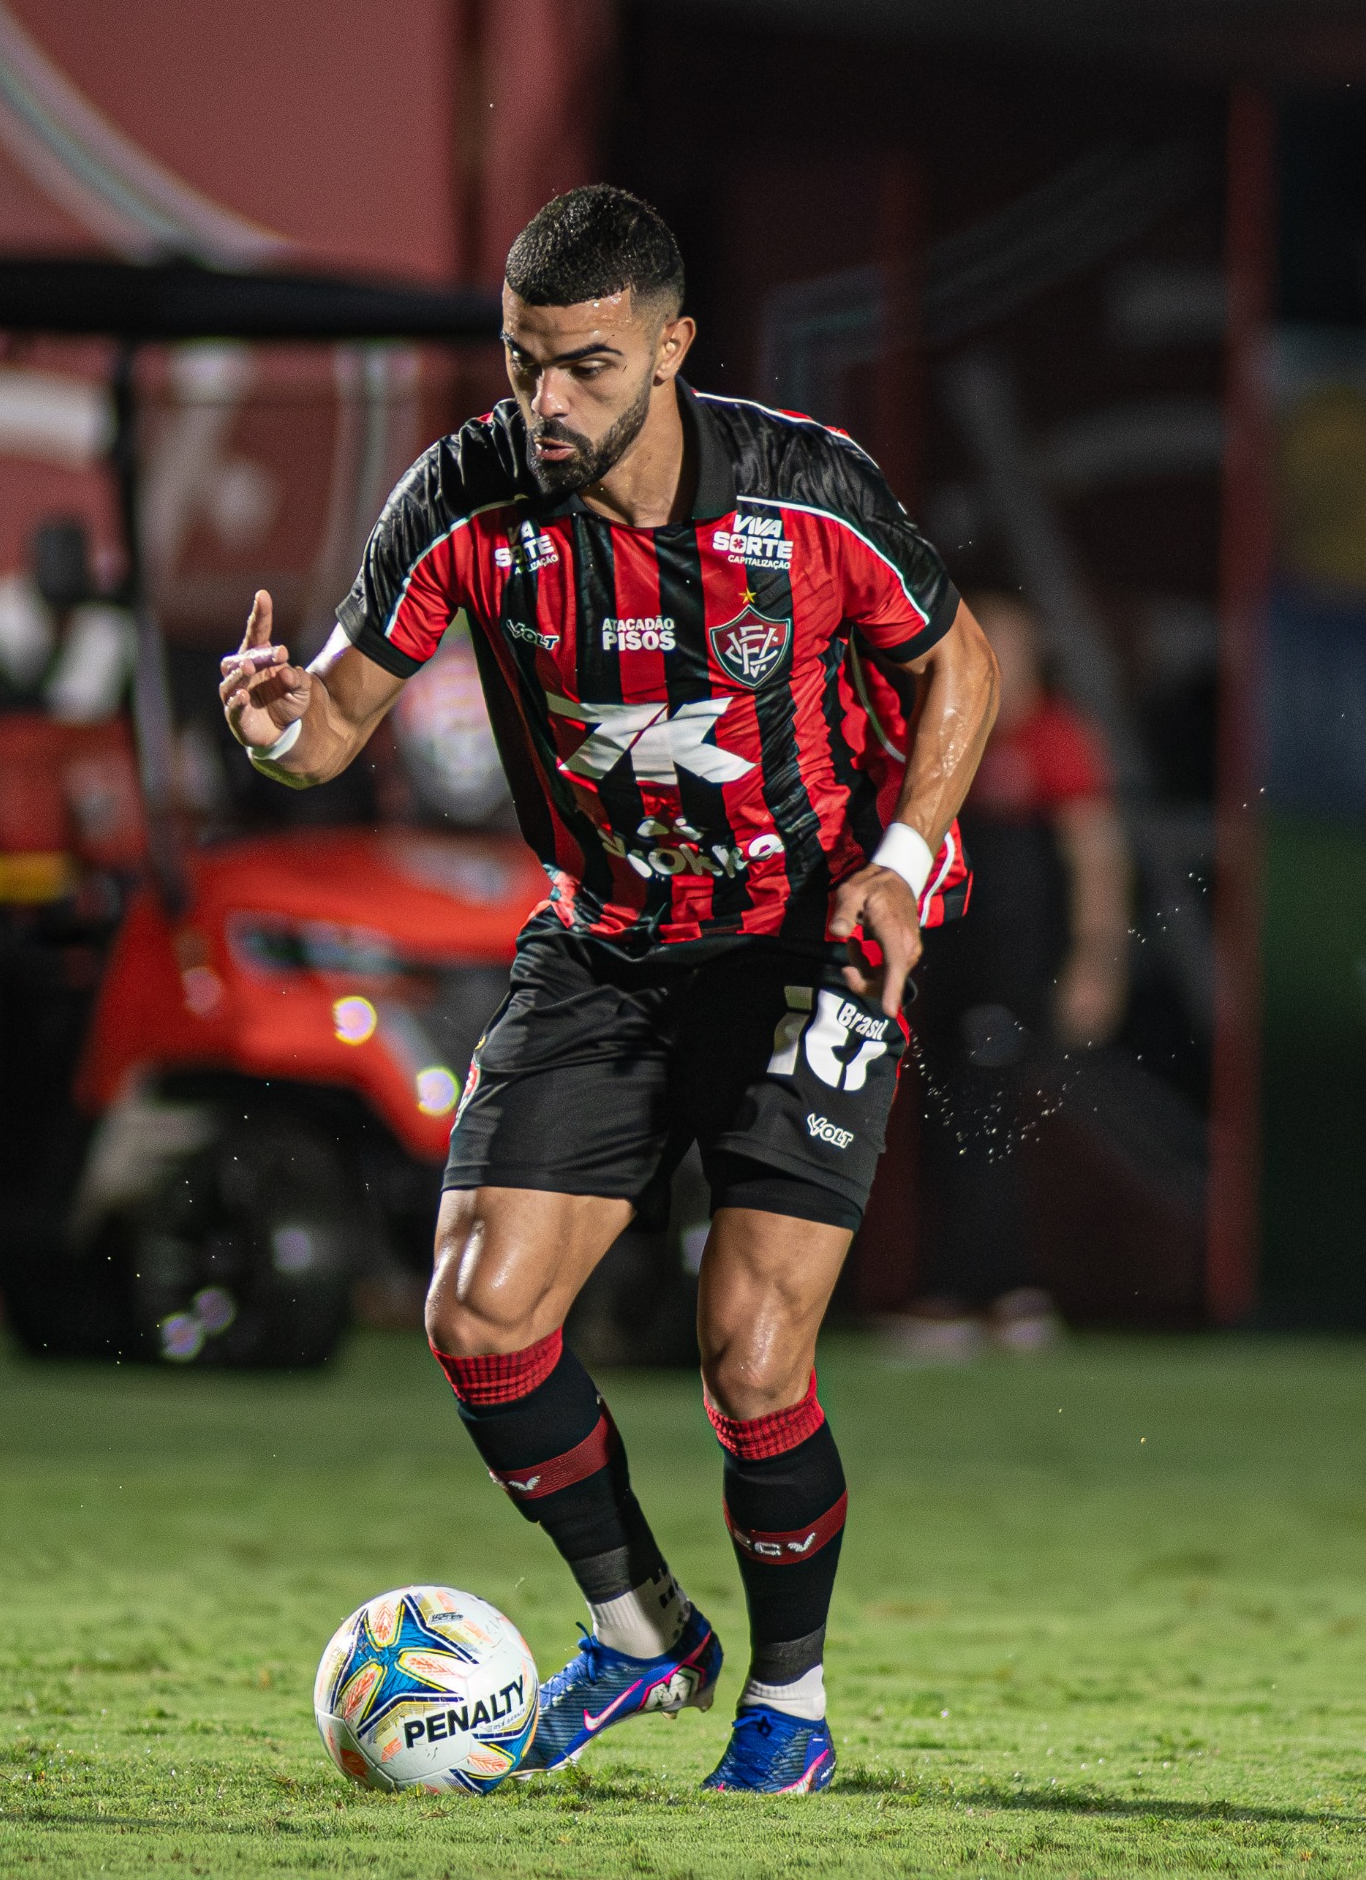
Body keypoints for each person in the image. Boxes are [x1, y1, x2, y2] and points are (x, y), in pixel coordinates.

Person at [220, 186, 998, 1794]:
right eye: (522, 366)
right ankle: (639, 1631)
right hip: (609, 940)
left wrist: (908, 862)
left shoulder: (805, 490)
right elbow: (338, 723)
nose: (546, 403)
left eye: (582, 366)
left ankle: (790, 1703)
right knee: (481, 1318)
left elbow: (958, 657)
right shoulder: (465, 495)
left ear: (671, 348)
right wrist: (277, 725)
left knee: (748, 1350)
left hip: (810, 941)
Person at [896, 586, 1130, 1354]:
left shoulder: (1051, 737)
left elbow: (1095, 855)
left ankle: (989, 1292)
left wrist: (1097, 962)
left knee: (983, 1107)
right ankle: (973, 1290)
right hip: (944, 956)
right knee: (948, 1111)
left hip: (1012, 961)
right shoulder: (937, 736)